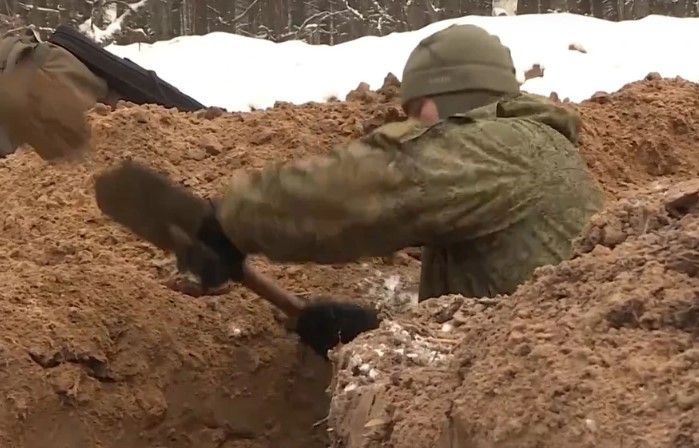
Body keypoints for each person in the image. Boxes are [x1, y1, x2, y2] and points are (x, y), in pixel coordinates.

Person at [181, 24, 606, 308]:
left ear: (452, 100)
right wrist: (362, 334)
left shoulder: (495, 149)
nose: (413, 127)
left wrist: (233, 220)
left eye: (417, 111)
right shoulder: (527, 148)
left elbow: (366, 191)